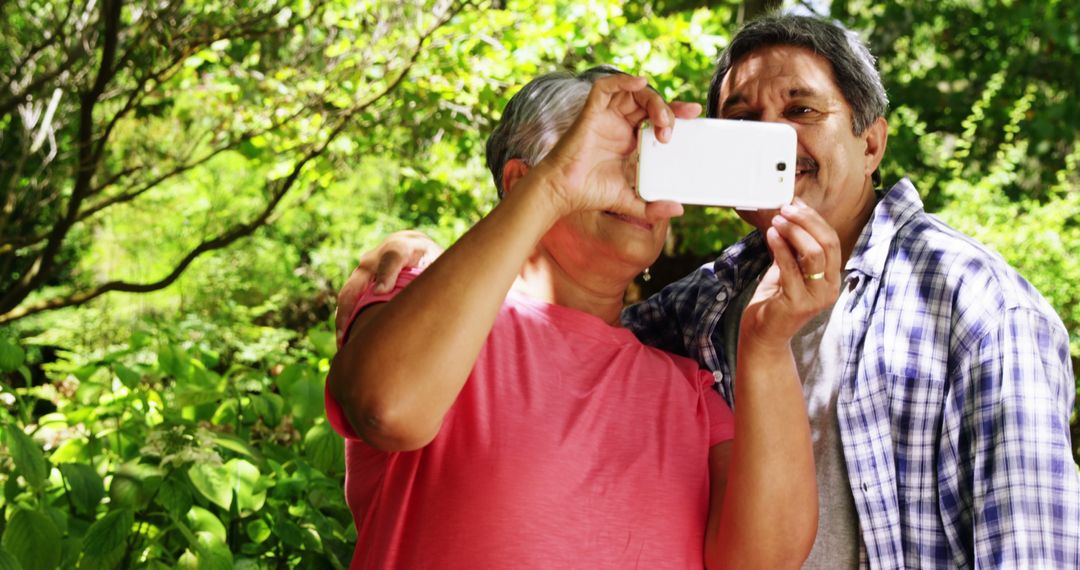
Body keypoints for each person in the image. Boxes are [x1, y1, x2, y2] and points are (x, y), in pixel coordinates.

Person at [339, 14, 1080, 569]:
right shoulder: (694, 314)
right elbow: (400, 398)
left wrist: (765, 347)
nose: (777, 141)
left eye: (802, 110)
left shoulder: (975, 303)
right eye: (745, 122)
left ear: (872, 140)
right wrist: (458, 241)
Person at [327, 66, 832, 568]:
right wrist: (552, 190)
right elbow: (386, 408)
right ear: (521, 180)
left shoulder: (687, 389)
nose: (633, 183)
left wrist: (766, 347)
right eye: (605, 158)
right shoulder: (423, 298)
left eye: (650, 161)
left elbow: (765, 561)